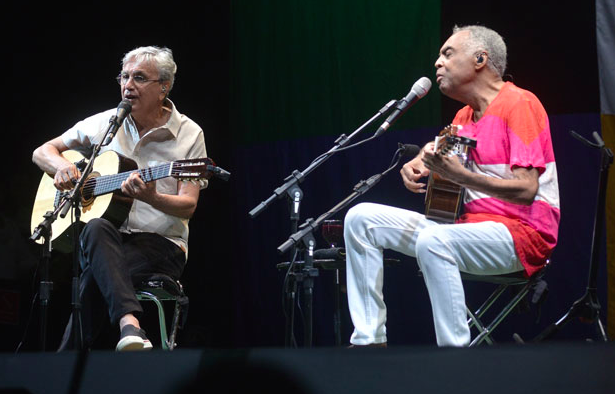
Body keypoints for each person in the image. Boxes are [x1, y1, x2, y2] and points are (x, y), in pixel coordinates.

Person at [344, 25, 560, 347]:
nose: (437, 63)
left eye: (447, 54)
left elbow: (527, 189)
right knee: (360, 219)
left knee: (434, 239)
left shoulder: (520, 104)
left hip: (522, 234)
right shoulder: (464, 116)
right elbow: (438, 152)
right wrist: (419, 161)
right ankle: (369, 342)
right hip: (466, 230)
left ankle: (455, 358)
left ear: (480, 59)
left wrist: (462, 176)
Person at [32, 46, 208, 351]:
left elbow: (188, 206)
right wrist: (62, 168)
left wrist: (152, 197)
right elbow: (42, 152)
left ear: (164, 86)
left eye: (139, 78)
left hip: (162, 244)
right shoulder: (105, 124)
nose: (128, 85)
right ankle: (131, 328)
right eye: (124, 76)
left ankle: (64, 366)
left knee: (94, 279)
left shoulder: (189, 134)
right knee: (96, 228)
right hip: (108, 240)